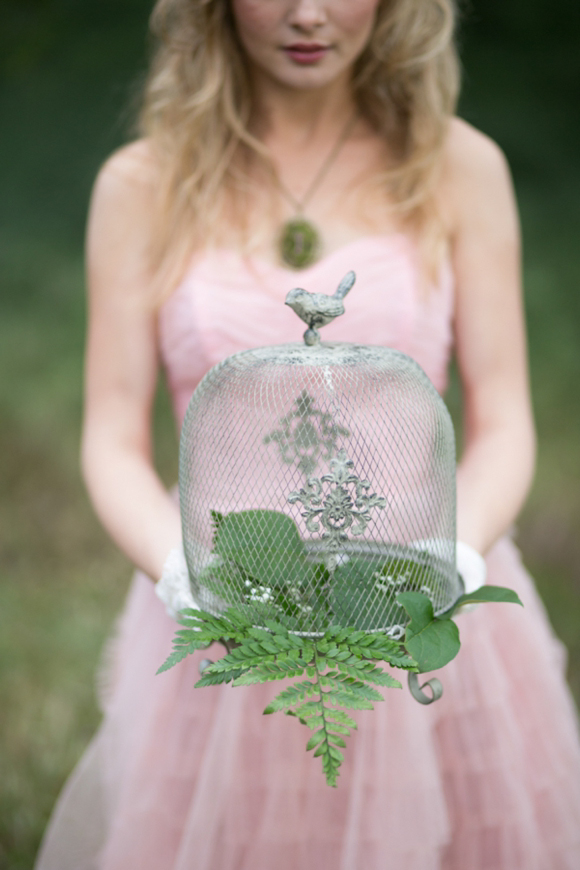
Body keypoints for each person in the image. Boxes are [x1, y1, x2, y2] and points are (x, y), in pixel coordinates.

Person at [36, 1, 580, 868]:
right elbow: (111, 431)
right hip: (232, 607)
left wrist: (453, 562)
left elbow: (507, 416)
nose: (308, 14)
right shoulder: (143, 184)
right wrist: (182, 574)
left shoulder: (458, 166)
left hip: (420, 599)